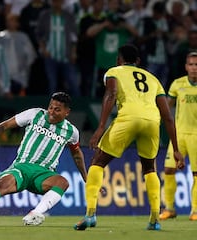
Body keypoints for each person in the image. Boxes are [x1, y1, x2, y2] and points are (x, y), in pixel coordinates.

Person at [73, 44, 185, 231]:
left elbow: (111, 93)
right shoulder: (153, 79)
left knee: (97, 163)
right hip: (151, 122)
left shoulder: (114, 71)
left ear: (119, 59)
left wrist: (101, 127)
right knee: (150, 169)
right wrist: (176, 150)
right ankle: (155, 219)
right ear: (138, 62)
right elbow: (167, 116)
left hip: (128, 119)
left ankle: (90, 214)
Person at [0, 92, 88, 226]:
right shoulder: (35, 114)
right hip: (21, 167)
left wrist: (86, 178)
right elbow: (4, 125)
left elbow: (76, 154)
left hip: (43, 174)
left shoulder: (72, 132)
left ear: (67, 112)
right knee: (1, 185)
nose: (52, 112)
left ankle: (35, 214)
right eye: (50, 107)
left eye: (57, 109)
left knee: (63, 182)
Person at [160, 52, 197, 221]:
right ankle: (169, 208)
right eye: (191, 64)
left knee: (196, 174)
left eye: (196, 65)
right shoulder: (177, 84)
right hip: (179, 135)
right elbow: (167, 107)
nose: (194, 68)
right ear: (186, 67)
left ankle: (195, 210)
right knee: (169, 169)